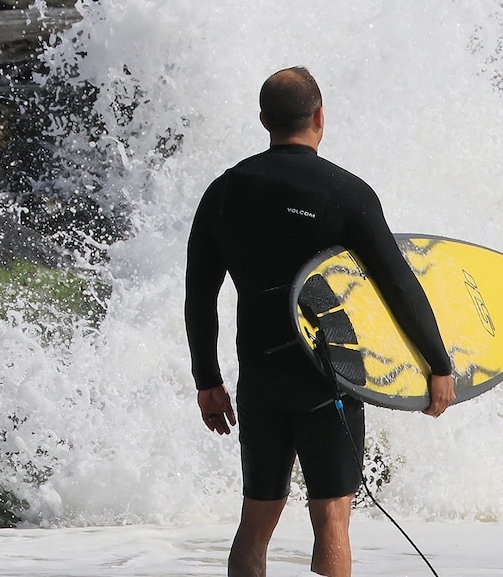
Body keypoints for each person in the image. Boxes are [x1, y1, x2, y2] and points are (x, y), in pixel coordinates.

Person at [185, 66, 455, 577]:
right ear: (320, 116)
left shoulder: (223, 192)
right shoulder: (347, 192)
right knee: (332, 521)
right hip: (329, 372)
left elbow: (199, 294)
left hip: (260, 376)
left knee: (255, 521)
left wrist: (207, 380)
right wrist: (436, 364)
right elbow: (399, 285)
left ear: (264, 119)